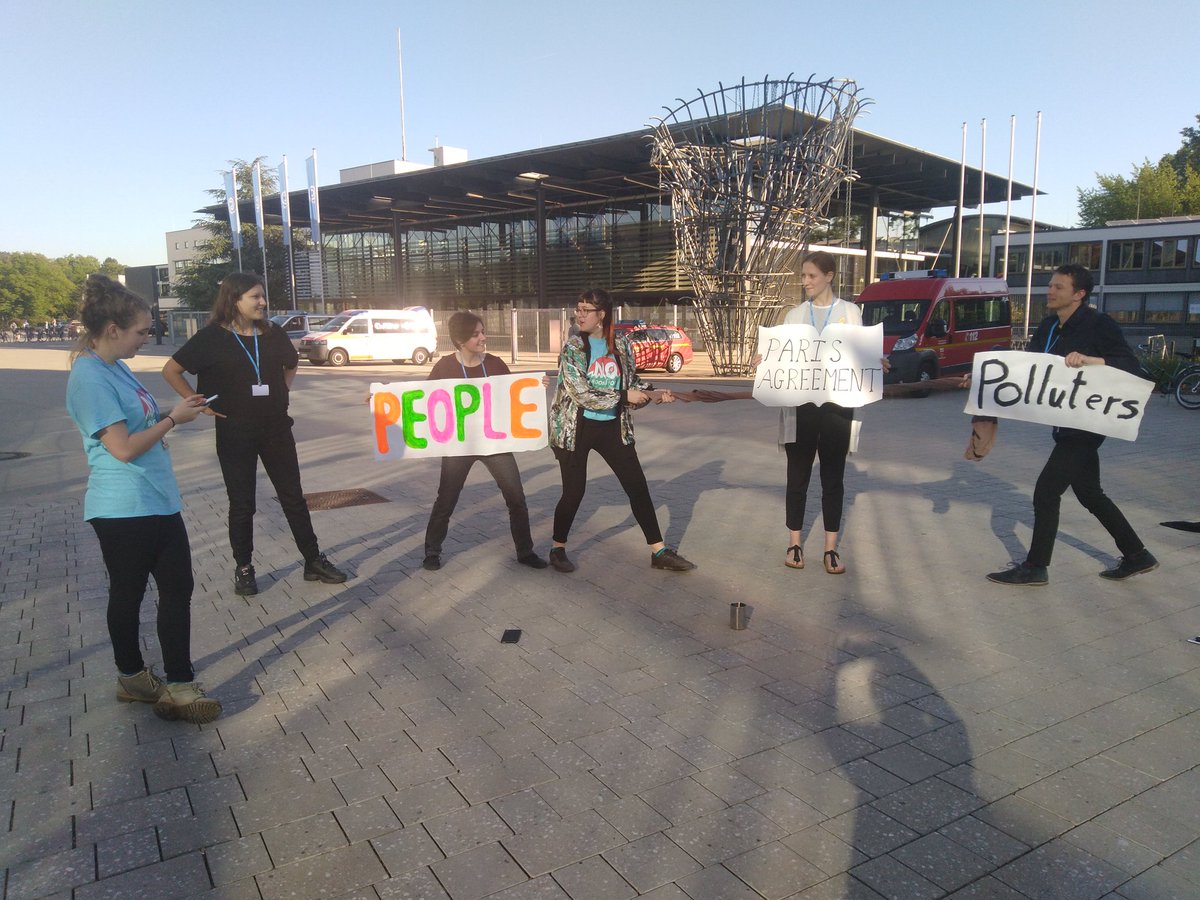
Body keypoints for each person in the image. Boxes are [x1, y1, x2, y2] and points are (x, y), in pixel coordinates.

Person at [66, 275, 221, 723]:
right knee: (130, 593)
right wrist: (173, 419)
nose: (146, 338)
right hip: (123, 506)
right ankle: (133, 677)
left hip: (156, 498)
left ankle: (178, 684)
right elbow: (122, 448)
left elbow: (137, 424)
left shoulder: (115, 367)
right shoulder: (88, 377)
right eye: (142, 331)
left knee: (177, 588)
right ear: (112, 329)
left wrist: (173, 410)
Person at [162, 272, 347, 596]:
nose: (263, 302)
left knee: (293, 498)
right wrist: (197, 403)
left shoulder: (273, 333)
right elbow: (171, 370)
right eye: (255, 297)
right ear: (234, 301)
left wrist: (283, 392)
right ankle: (244, 567)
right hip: (235, 431)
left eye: (263, 296)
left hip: (276, 428)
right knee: (242, 503)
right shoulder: (211, 338)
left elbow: (292, 363)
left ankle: (312, 560)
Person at [987, 264, 1157, 586]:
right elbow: (1027, 367)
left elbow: (1130, 366)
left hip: (1088, 424)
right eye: (1050, 285)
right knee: (1090, 493)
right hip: (1064, 423)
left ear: (1079, 294)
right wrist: (984, 377)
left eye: (1059, 287)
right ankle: (1137, 555)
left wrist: (1091, 360)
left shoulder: (1098, 325)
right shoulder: (1050, 325)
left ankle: (1036, 566)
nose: (1050, 291)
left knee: (1046, 492)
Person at [548, 288, 695, 573]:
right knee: (574, 492)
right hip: (575, 427)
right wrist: (625, 396)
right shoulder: (574, 348)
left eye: (584, 310)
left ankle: (658, 551)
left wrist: (653, 393)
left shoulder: (623, 344)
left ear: (601, 315)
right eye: (577, 308)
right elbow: (580, 392)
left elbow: (632, 382)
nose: (578, 315)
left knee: (637, 486)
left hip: (612, 426)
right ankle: (557, 548)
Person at [422, 311, 549, 571]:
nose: (483, 337)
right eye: (476, 334)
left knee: (516, 498)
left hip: (494, 443)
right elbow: (422, 398)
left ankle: (525, 552)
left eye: (482, 331)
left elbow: (513, 394)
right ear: (460, 340)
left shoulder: (494, 364)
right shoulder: (445, 367)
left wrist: (536, 386)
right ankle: (432, 552)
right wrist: (380, 398)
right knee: (446, 500)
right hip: (460, 445)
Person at [778, 250, 863, 574]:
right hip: (801, 407)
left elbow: (860, 353)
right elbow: (781, 357)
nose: (805, 282)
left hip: (837, 408)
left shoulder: (851, 313)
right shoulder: (795, 315)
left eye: (811, 276)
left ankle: (830, 549)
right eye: (803, 276)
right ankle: (795, 542)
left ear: (829, 276)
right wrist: (766, 360)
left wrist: (874, 361)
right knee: (796, 477)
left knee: (833, 479)